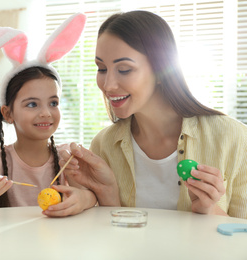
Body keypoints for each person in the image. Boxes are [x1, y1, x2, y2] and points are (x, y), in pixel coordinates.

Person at [60, 10, 247, 219]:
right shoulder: (104, 145)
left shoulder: (234, 137)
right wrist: (105, 193)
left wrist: (208, 209)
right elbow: (111, 238)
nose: (108, 85)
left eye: (124, 70)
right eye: (101, 68)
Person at [0, 13, 97, 217]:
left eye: (53, 103)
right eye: (32, 104)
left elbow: (90, 197)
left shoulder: (67, 158)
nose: (46, 113)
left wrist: (84, 198)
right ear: (8, 113)